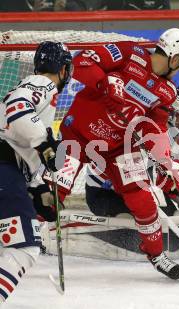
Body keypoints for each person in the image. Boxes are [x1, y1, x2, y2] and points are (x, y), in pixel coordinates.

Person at [48, 28, 179, 280]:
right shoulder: (129, 53)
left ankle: (156, 254)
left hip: (119, 148)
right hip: (78, 134)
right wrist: (106, 84)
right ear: (175, 57)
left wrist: (166, 160)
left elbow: (156, 127)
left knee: (142, 198)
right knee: (53, 189)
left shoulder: (167, 92)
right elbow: (83, 61)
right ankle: (21, 233)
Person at [41, 87, 179, 261]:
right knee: (130, 222)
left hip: (145, 193)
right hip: (107, 193)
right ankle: (76, 238)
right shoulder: (139, 131)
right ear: (171, 114)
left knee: (172, 220)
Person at [0, 41, 72, 302]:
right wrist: (46, 145)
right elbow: (17, 108)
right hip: (3, 168)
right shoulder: (43, 84)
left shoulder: (35, 92)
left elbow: (20, 144)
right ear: (64, 69)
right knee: (25, 246)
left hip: (9, 170)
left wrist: (39, 190)